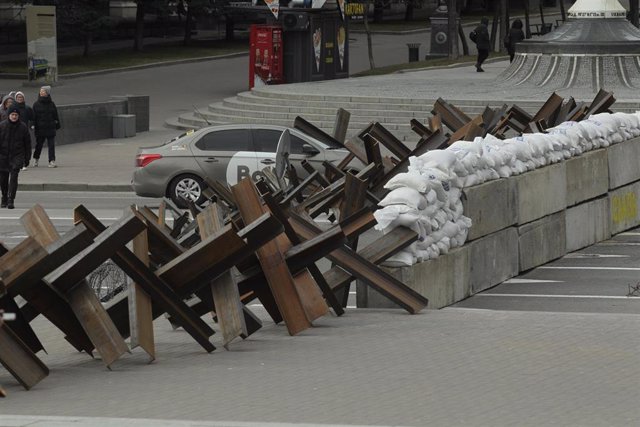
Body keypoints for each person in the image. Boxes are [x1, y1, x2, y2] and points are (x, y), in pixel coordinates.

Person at [0, 105, 31, 209]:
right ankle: (4, 197)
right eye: (12, 114)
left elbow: (27, 144)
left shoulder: (23, 127)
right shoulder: (2, 126)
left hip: (17, 156)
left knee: (13, 178)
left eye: (16, 115)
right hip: (3, 156)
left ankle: (10, 199)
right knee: (3, 179)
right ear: (9, 115)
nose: (14, 116)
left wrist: (27, 158)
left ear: (18, 116)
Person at [32, 85, 60, 168]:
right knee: (39, 145)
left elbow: (55, 115)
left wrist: (57, 125)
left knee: (51, 145)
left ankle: (51, 161)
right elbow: (34, 116)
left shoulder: (52, 104)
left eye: (43, 91)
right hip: (40, 128)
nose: (41, 92)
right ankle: (36, 159)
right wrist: (33, 125)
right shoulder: (36, 104)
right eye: (40, 91)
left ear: (47, 93)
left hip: (50, 127)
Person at [13, 91, 34, 170]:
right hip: (14, 130)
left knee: (25, 146)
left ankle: (24, 162)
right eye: (18, 97)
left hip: (24, 129)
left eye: (21, 97)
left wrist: (31, 125)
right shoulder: (13, 107)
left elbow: (32, 118)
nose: (19, 99)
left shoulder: (27, 108)